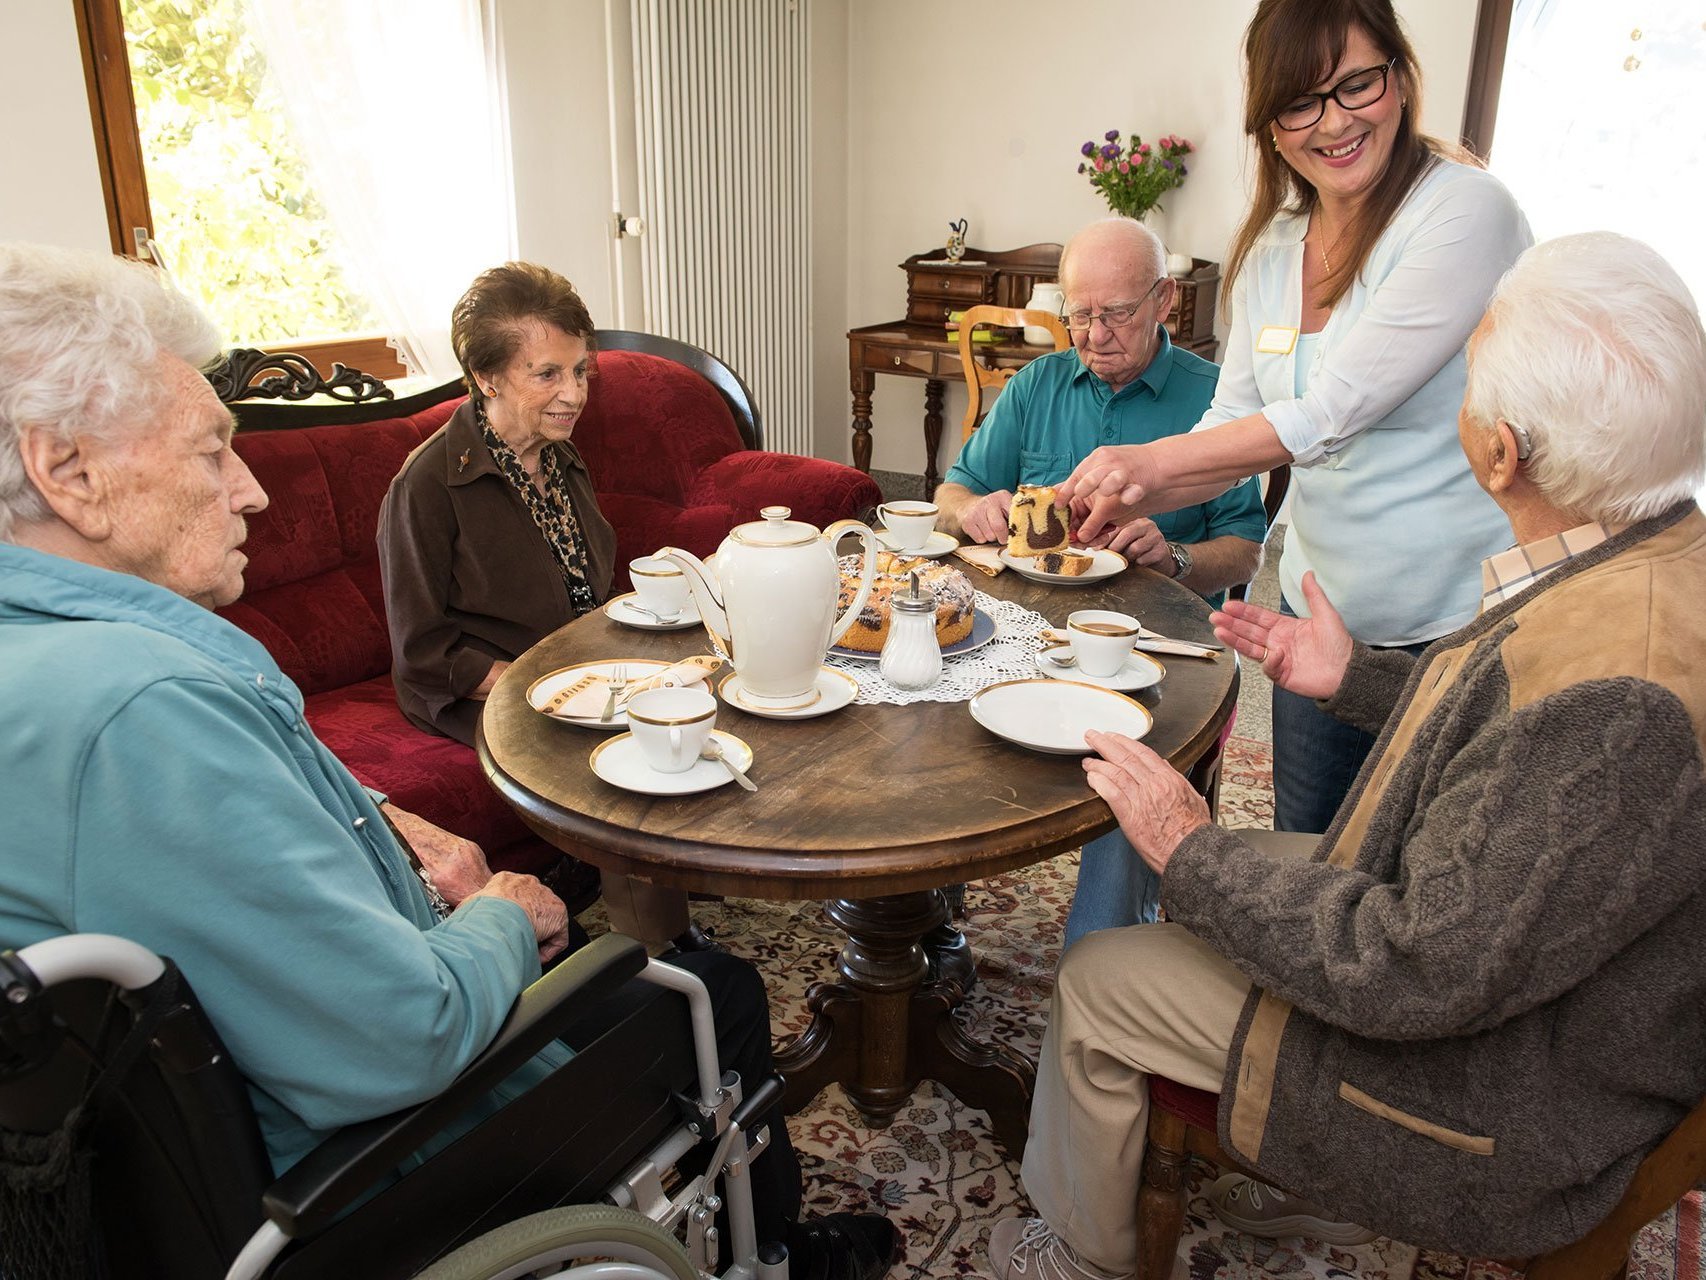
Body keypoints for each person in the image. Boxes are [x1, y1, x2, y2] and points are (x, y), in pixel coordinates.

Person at [0, 243, 895, 1279]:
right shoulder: (140, 711)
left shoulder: (62, 668)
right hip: (388, 1161)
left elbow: (225, 819)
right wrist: (507, 913)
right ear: (65, 470)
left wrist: (379, 812)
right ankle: (772, 1253)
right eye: (211, 452)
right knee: (710, 988)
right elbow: (403, 1037)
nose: (250, 490)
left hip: (275, 1095)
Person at [986, 230, 1706, 1280]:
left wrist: (1188, 849)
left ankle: (1080, 1257)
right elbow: (1525, 759)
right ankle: (1256, 1164)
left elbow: (1408, 967)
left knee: (1099, 976)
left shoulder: (1618, 707)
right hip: (1496, 975)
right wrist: (1357, 677)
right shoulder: (1646, 556)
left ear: (1498, 449)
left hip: (1491, 1096)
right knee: (1254, 867)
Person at [1057, 0, 1533, 855]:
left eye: (1358, 83)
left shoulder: (1464, 215)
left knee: (1438, 887)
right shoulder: (1273, 248)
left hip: (1459, 628)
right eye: (1301, 102)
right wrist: (1132, 488)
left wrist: (1148, 461)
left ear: (1402, 76)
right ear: (1271, 125)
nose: (1336, 121)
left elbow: (1327, 414)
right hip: (1322, 628)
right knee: (1309, 869)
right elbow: (1234, 423)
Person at [936, 217, 1268, 940]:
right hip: (1027, 632)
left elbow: (1246, 550)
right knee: (926, 714)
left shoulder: (1217, 402)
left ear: (1165, 301)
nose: (1092, 334)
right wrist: (976, 509)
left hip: (1158, 649)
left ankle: (1102, 975)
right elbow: (950, 496)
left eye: (1114, 313)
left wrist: (1177, 558)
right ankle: (926, 917)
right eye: (1078, 313)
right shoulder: (1035, 385)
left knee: (1133, 778)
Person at [378, 262, 703, 956]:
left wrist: (629, 651)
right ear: (487, 376)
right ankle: (651, 957)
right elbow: (423, 653)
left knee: (693, 692)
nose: (575, 394)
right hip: (474, 687)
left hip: (577, 664)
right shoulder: (427, 486)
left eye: (582, 372)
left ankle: (668, 920)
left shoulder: (559, 458)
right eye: (548, 374)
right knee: (613, 754)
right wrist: (554, 683)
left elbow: (587, 586)